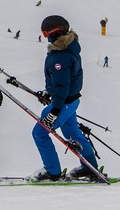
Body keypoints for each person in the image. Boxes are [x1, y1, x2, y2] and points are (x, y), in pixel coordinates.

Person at [31, 15, 99, 181]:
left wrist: (55, 110)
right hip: (71, 101)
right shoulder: (70, 48)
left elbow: (63, 85)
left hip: (63, 104)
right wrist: (51, 93)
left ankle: (52, 171)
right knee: (73, 133)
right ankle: (90, 167)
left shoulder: (59, 56)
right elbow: (66, 81)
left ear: (54, 32)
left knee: (40, 133)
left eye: (46, 32)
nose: (45, 36)